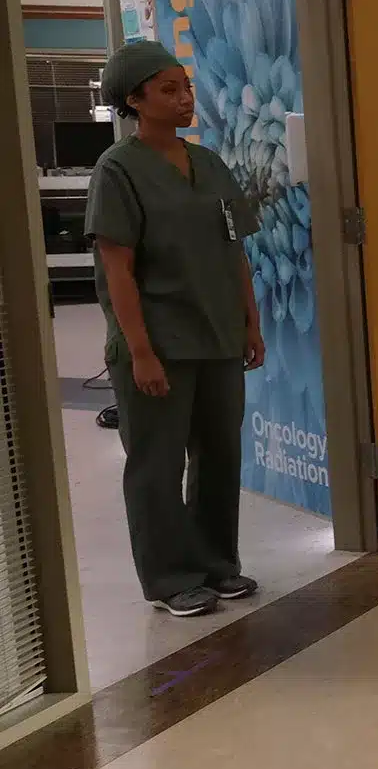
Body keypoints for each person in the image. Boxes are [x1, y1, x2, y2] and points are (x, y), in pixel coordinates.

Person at [85, 41, 266, 618]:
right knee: (157, 465)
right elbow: (117, 269)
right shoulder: (118, 170)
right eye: (168, 90)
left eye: (186, 87)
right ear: (134, 100)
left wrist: (250, 323)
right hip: (158, 341)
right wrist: (140, 351)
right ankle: (170, 578)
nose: (185, 98)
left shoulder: (208, 165)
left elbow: (235, 251)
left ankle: (216, 564)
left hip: (217, 336)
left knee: (219, 456)